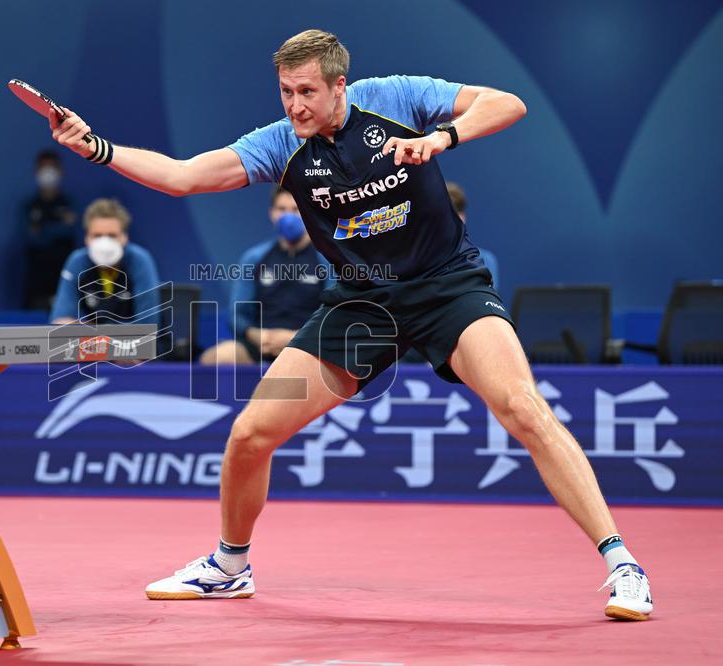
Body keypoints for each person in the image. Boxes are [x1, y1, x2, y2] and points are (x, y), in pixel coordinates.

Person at [47, 29, 652, 620]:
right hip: (360, 304)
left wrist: (442, 139)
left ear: (340, 86)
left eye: (306, 91)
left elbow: (507, 103)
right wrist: (95, 147)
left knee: (524, 408)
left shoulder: (396, 98)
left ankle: (623, 564)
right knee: (250, 436)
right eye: (285, 91)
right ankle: (231, 566)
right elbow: (184, 176)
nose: (294, 105)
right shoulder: (282, 143)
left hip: (447, 287)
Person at [200, 186, 332, 365]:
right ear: (272, 214)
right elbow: (237, 314)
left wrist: (296, 337)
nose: (289, 216)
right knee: (215, 357)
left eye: (296, 209)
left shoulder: (326, 259)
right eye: (282, 209)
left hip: (309, 346)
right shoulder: (254, 258)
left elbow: (334, 313)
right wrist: (259, 335)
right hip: (262, 344)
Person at [49, 198, 160, 325]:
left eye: (112, 235)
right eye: (97, 236)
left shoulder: (140, 260)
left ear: (124, 237)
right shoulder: (77, 261)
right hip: (94, 344)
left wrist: (90, 328)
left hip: (136, 344)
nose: (104, 243)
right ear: (87, 238)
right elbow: (59, 321)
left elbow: (148, 324)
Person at [23, 150, 78, 310]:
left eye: (52, 167)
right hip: (36, 279)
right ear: (36, 172)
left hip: (64, 275)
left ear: (60, 171)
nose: (48, 172)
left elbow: (71, 232)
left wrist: (42, 229)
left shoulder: (68, 203)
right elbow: (30, 238)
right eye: (43, 167)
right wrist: (58, 227)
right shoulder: (29, 205)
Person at [447, 181, 499, 290]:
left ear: (463, 217)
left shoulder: (485, 260)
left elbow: (487, 302)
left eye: (455, 214)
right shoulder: (419, 261)